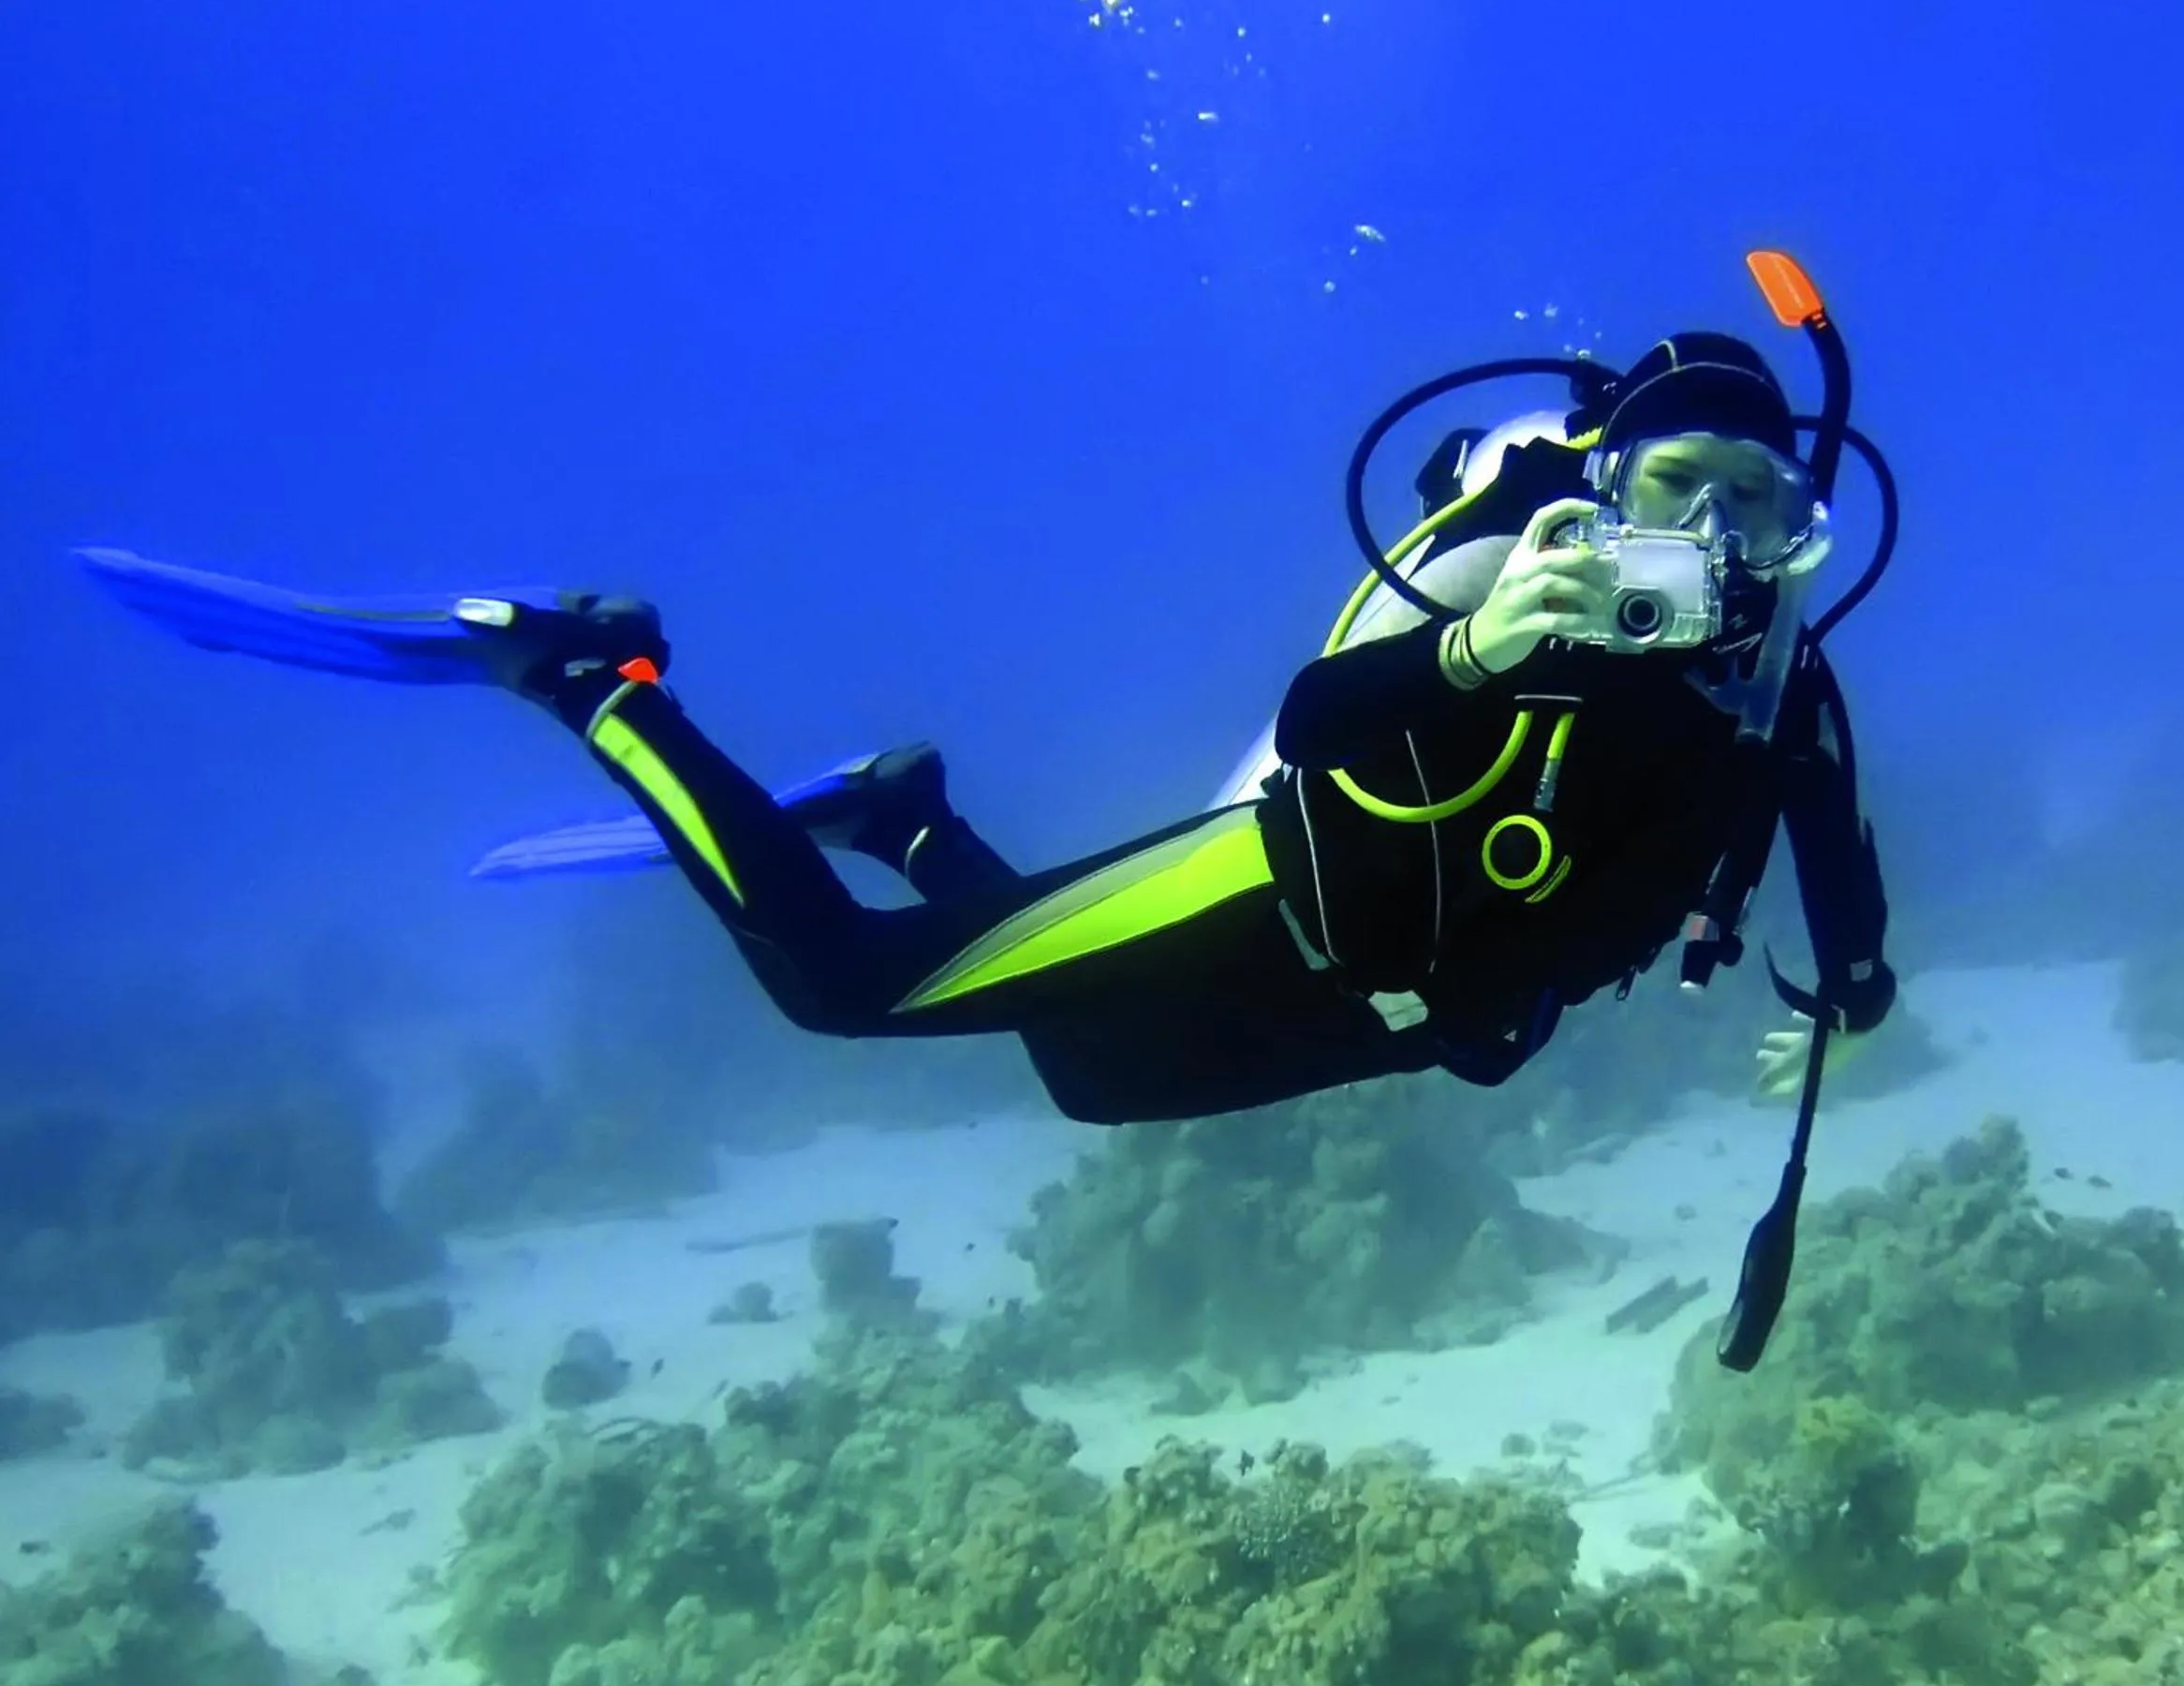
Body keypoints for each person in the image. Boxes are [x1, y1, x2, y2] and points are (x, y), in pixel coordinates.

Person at [78, 254, 1899, 1366]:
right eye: (1681, 482)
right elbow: (1323, 716)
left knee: (1085, 1078)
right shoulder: (1524, 587)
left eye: (1758, 500)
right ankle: (595, 678)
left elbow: (1824, 835)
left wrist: (1855, 982)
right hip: (1274, 888)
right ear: (1612, 479)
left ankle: (904, 813)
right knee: (843, 986)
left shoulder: (1775, 680)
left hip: (1417, 1010)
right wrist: (1483, 649)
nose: (1716, 533)